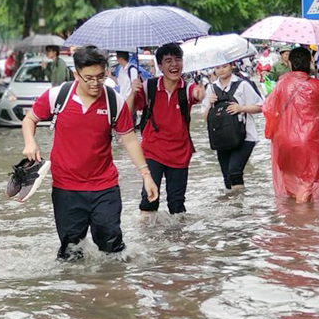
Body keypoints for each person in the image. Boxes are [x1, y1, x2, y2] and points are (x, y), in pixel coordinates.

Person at [22, 46, 158, 260]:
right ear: (76, 74)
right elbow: (29, 119)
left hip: (105, 187)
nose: (95, 83)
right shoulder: (58, 97)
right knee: (71, 252)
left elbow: (129, 138)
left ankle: (112, 289)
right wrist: (30, 142)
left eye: (100, 77)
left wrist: (146, 175)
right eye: (89, 78)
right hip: (66, 188)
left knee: (112, 249)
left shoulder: (115, 101)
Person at [132, 43, 205, 215]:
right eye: (168, 61)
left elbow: (196, 94)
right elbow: (127, 116)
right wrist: (132, 92)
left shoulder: (187, 88)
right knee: (149, 200)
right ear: (160, 66)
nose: (174, 65)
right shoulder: (148, 87)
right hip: (152, 151)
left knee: (177, 205)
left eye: (178, 59)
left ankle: (177, 241)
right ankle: (148, 240)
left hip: (180, 154)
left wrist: (200, 94)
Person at [262, 47, 319, 203]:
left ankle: (290, 221)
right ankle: (304, 222)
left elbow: (268, 108)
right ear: (310, 62)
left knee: (290, 185)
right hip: (309, 141)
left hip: (283, 141)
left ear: (290, 63)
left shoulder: (281, 84)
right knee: (306, 185)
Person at [202, 63, 264, 191]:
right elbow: (205, 117)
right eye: (217, 67)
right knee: (227, 176)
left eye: (224, 66)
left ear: (231, 66)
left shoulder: (243, 85)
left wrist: (241, 108)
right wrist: (210, 103)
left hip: (245, 136)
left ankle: (240, 207)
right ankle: (233, 207)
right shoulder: (211, 89)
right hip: (221, 137)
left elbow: (261, 107)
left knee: (234, 171)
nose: (221, 70)